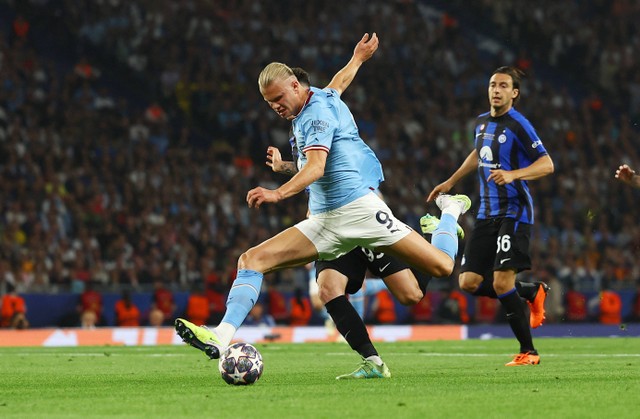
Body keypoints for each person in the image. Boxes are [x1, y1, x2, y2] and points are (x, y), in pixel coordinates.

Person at [175, 34, 471, 371]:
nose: (276, 107)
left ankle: (449, 213)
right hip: (325, 219)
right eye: (269, 103)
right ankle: (221, 335)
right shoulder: (319, 100)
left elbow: (316, 167)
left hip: (359, 211)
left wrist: (277, 191)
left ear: (295, 85)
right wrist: (357, 58)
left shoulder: (314, 117)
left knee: (440, 270)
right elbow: (338, 84)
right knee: (255, 260)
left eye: (279, 98)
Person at [426, 66, 554, 366]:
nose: (496, 90)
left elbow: (547, 164)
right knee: (468, 282)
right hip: (486, 213)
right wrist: (451, 181)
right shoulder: (482, 123)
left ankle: (529, 352)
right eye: (493, 85)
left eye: (503, 86)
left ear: (514, 93)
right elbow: (477, 152)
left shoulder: (520, 125)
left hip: (514, 211)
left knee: (499, 283)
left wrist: (514, 174)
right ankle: (532, 292)